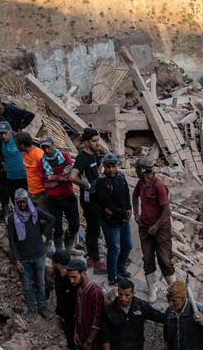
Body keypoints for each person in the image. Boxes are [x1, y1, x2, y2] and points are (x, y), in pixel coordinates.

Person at [132, 157, 175, 301]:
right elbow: (134, 196)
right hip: (145, 226)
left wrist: (155, 227)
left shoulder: (159, 185)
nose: (135, 171)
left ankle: (175, 292)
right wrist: (136, 213)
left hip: (161, 228)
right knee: (148, 258)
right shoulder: (141, 183)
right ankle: (152, 289)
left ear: (142, 170)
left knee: (165, 260)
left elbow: (166, 211)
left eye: (137, 168)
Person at [6, 189, 55, 319]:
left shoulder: (35, 212)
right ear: (16, 203)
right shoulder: (12, 219)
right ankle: (31, 310)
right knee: (27, 286)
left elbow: (52, 219)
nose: (22, 205)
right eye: (20, 202)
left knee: (41, 283)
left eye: (24, 202)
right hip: (24, 258)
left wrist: (45, 235)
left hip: (39, 254)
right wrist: (17, 260)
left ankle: (42, 308)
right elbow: (12, 241)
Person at [94, 154, 133, 285]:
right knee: (114, 249)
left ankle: (120, 268)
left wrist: (129, 209)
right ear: (104, 166)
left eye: (113, 166)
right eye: (108, 166)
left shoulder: (121, 177)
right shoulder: (101, 182)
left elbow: (127, 195)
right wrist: (123, 214)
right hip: (111, 222)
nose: (111, 169)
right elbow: (106, 205)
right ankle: (112, 276)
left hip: (123, 220)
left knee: (127, 246)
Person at [73, 128, 108, 273]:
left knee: (93, 229)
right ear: (86, 143)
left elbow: (98, 168)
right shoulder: (82, 158)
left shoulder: (94, 154)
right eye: (94, 141)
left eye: (98, 140)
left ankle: (91, 259)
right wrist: (87, 185)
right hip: (88, 199)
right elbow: (73, 177)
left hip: (96, 197)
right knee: (93, 229)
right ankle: (97, 263)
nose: (97, 143)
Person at [41, 137, 79, 252]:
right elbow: (45, 183)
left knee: (74, 224)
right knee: (57, 227)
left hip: (68, 196)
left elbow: (69, 177)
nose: (47, 150)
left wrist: (54, 178)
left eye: (48, 146)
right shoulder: (41, 162)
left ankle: (69, 246)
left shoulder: (64, 156)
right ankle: (59, 251)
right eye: (44, 147)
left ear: (53, 144)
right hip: (53, 199)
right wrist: (60, 177)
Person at [51, 253, 81, 350]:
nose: (51, 265)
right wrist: (59, 316)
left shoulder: (72, 282)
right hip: (65, 319)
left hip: (73, 320)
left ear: (58, 265)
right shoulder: (57, 278)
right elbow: (60, 299)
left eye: (53, 262)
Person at [0, 123, 29, 205]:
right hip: (10, 178)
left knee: (26, 202)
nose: (3, 136)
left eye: (5, 133)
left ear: (10, 130)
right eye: (1, 134)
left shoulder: (18, 139)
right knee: (15, 202)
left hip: (23, 177)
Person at [20, 133, 47, 214]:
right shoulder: (24, 153)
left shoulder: (39, 155)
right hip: (31, 191)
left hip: (41, 192)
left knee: (44, 216)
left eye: (16, 144)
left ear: (22, 145)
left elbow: (46, 174)